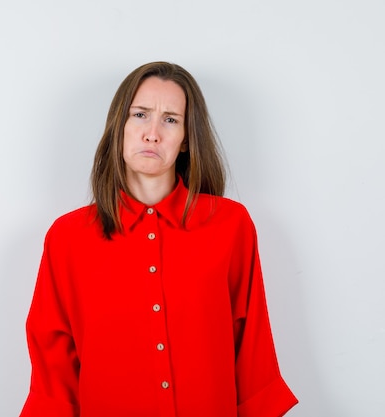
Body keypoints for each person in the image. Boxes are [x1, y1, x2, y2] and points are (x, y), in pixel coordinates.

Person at [20, 62, 298, 417]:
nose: (153, 133)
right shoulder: (68, 237)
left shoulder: (230, 225)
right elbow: (53, 367)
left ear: (185, 139)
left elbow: (252, 346)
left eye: (170, 119)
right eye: (140, 115)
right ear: (118, 127)